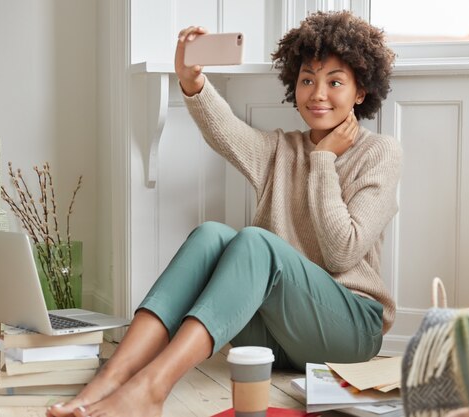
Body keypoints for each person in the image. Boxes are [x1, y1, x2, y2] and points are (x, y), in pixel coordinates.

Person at [48, 10, 401, 417]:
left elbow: (342, 252)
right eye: (307, 79)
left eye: (335, 81)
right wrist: (191, 79)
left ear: (360, 92)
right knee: (211, 234)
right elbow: (224, 131)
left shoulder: (379, 153)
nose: (318, 93)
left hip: (351, 330)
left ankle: (152, 388)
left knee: (254, 241)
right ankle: (112, 377)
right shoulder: (281, 150)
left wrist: (323, 162)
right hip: (279, 338)